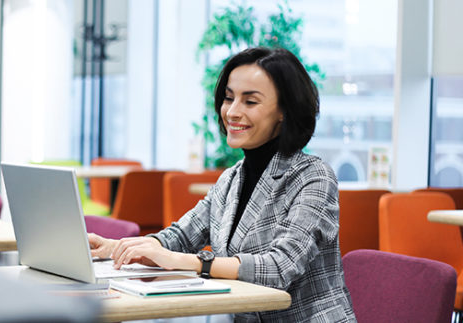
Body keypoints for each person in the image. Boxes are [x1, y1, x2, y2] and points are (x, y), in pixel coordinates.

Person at [89, 47, 357, 322]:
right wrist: (119, 248)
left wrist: (191, 262)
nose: (232, 112)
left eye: (250, 102)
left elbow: (279, 268)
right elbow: (180, 237)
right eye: (229, 98)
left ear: (284, 112)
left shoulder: (313, 176)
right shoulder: (231, 178)